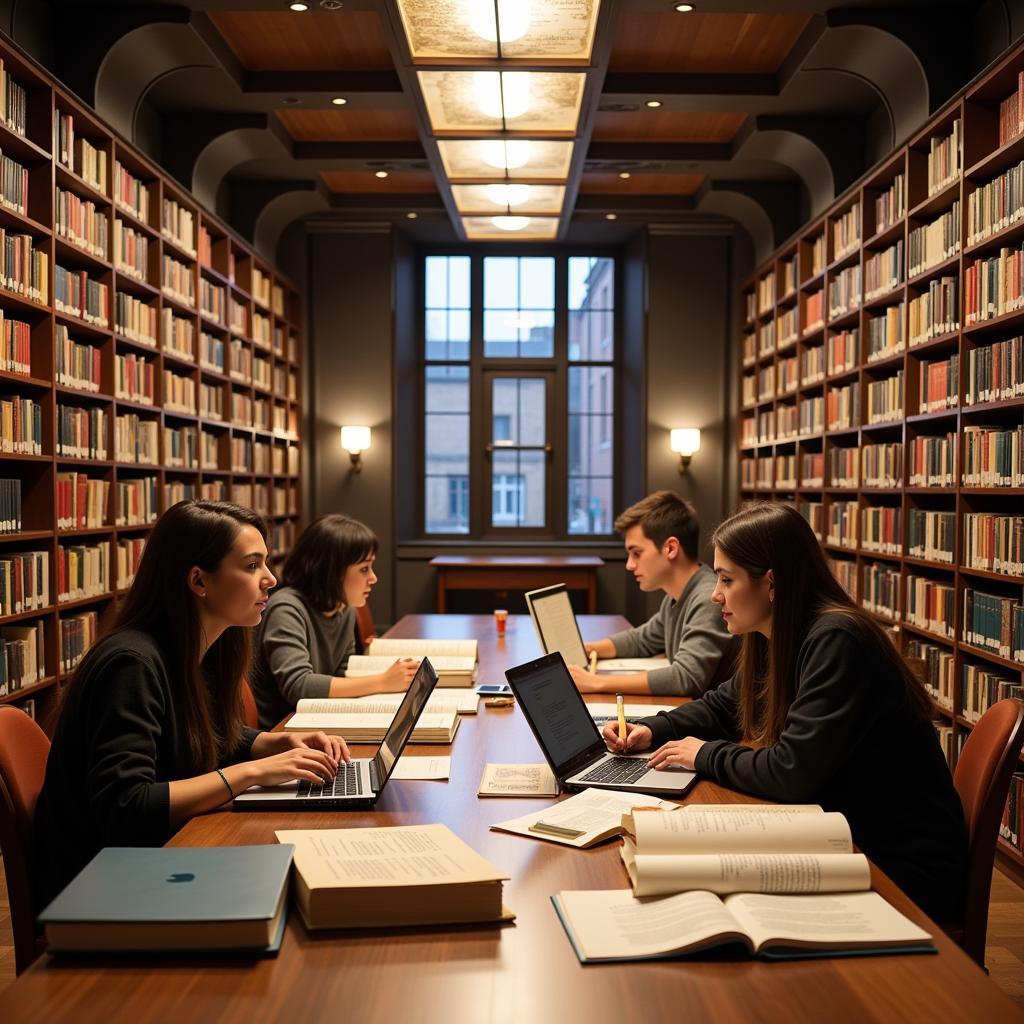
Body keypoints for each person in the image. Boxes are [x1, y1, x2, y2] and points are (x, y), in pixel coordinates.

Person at [602, 501, 968, 922]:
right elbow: (725, 705)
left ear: (771, 583)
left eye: (726, 579)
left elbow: (791, 772)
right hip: (839, 834)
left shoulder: (837, 641)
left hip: (897, 864)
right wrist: (651, 729)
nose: (714, 594)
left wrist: (703, 754)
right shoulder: (775, 631)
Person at [33, 501, 348, 910]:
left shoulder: (203, 648)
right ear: (199, 581)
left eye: (265, 564)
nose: (270, 579)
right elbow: (126, 807)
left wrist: (269, 745)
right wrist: (251, 772)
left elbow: (191, 740)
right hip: (104, 886)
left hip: (160, 858)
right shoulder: (132, 664)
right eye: (252, 566)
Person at [249, 513, 418, 729]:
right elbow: (298, 686)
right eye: (364, 569)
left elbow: (342, 670)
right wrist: (382, 681)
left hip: (315, 719)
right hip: (282, 730)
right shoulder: (287, 609)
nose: (373, 578)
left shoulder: (343, 608)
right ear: (332, 572)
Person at [568, 490, 738, 696]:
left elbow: (686, 677)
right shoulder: (677, 596)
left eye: (636, 553)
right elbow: (641, 640)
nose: (630, 565)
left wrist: (596, 683)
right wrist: (589, 649)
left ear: (671, 548)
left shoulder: (706, 598)